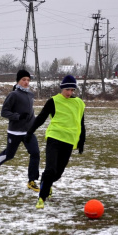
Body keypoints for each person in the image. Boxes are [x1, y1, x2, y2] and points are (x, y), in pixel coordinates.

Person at [26, 75, 85, 209]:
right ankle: (42, 197)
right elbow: (41, 118)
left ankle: (46, 183)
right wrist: (30, 132)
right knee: (51, 169)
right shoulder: (53, 101)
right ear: (62, 88)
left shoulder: (79, 104)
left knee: (58, 173)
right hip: (54, 138)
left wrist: (82, 141)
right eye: (67, 90)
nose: (69, 93)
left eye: (72, 90)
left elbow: (81, 123)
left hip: (69, 140)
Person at [0, 69, 41, 192]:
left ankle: (32, 181)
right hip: (15, 132)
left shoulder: (30, 94)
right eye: (24, 80)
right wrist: (18, 116)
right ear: (18, 81)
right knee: (10, 154)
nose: (26, 82)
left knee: (35, 153)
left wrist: (34, 124)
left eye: (28, 80)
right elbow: (4, 112)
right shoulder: (13, 95)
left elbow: (30, 112)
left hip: (28, 132)